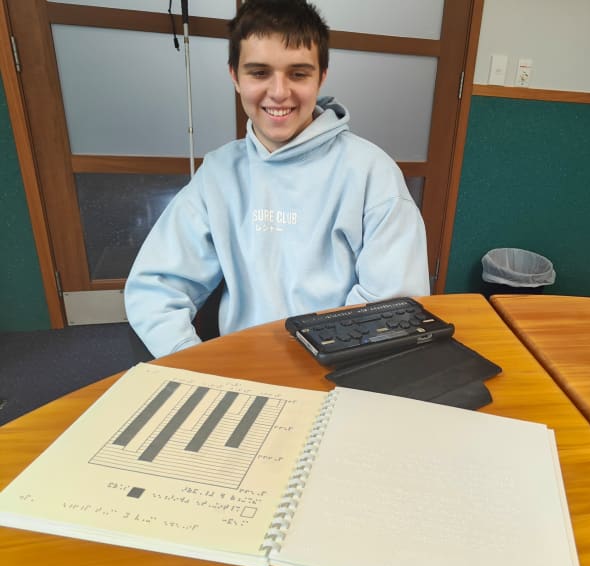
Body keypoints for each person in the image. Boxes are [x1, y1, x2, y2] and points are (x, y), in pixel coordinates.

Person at [124, 0, 430, 358]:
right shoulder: (219, 174)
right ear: (234, 77)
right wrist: (194, 362)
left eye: (298, 74)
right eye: (259, 73)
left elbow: (392, 308)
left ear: (322, 76)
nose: (279, 92)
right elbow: (155, 289)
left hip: (344, 372)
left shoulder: (372, 173)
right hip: (243, 370)